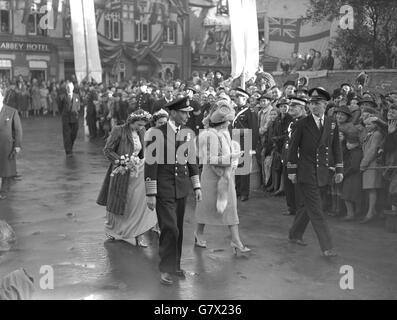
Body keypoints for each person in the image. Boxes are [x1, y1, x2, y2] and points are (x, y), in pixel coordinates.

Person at [144, 96, 202, 286]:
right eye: (184, 113)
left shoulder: (187, 133)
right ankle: (166, 269)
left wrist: (197, 186)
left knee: (178, 228)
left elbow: (191, 160)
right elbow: (150, 164)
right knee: (170, 228)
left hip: (181, 188)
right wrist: (151, 193)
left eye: (188, 113)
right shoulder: (156, 133)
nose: (187, 116)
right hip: (164, 188)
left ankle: (175, 266)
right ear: (174, 113)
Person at [287, 87, 343, 257]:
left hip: (323, 171)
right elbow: (293, 149)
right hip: (306, 171)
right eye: (311, 104)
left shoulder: (331, 122)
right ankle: (327, 247)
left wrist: (339, 168)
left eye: (317, 104)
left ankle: (295, 234)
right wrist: (292, 170)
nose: (313, 107)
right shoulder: (302, 123)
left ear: (325, 105)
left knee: (308, 207)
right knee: (317, 210)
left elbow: (336, 147)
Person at [194, 100, 250, 253]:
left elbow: (227, 151)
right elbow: (210, 159)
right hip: (211, 177)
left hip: (225, 176)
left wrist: (235, 155)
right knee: (206, 207)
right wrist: (232, 157)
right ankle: (198, 233)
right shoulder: (208, 136)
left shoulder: (224, 133)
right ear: (221, 122)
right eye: (227, 122)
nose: (229, 124)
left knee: (230, 207)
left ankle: (236, 240)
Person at [97, 110, 158, 246]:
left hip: (138, 172)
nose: (141, 128)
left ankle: (138, 234)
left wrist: (141, 162)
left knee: (137, 204)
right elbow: (107, 150)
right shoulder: (119, 130)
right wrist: (121, 161)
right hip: (121, 173)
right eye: (138, 125)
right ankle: (112, 230)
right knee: (118, 203)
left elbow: (142, 153)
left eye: (143, 125)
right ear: (131, 121)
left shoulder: (142, 132)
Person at [281, 97, 307, 215]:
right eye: (290, 106)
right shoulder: (292, 122)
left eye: (293, 107)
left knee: (298, 187)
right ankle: (291, 207)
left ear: (302, 108)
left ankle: (300, 210)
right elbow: (288, 140)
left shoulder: (306, 122)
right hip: (288, 157)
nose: (290, 108)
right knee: (288, 185)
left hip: (299, 159)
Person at [232, 88, 259, 201]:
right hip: (235, 142)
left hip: (245, 141)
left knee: (244, 169)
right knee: (236, 167)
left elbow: (254, 130)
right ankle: (237, 190)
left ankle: (244, 193)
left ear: (245, 98)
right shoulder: (234, 111)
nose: (236, 99)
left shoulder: (250, 112)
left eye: (239, 97)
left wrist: (252, 148)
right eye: (236, 97)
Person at [360, 117, 385, 223]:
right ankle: (372, 211)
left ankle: (370, 213)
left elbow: (372, 150)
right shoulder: (370, 134)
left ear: (375, 125)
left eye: (369, 124)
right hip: (369, 164)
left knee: (372, 189)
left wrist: (363, 164)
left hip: (372, 165)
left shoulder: (376, 135)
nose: (367, 126)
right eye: (366, 124)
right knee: (370, 189)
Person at [0, 86, 23, 200]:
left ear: (2, 97)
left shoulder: (11, 111)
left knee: (6, 169)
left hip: (6, 146)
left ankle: (4, 190)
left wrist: (17, 145)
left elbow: (18, 129)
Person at [341, 131, 363, 221]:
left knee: (348, 196)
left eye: (350, 143)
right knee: (352, 196)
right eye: (347, 142)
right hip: (353, 176)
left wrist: (344, 174)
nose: (348, 145)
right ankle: (354, 213)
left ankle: (350, 214)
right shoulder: (354, 151)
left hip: (352, 176)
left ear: (357, 143)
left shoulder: (356, 152)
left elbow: (354, 166)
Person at [58, 82, 80, 157]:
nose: (69, 89)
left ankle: (70, 145)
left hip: (74, 118)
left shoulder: (77, 96)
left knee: (74, 133)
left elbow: (78, 107)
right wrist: (64, 114)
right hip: (66, 118)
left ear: (73, 88)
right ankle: (68, 151)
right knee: (67, 135)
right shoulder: (62, 97)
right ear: (66, 88)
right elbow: (60, 107)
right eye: (68, 87)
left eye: (70, 87)